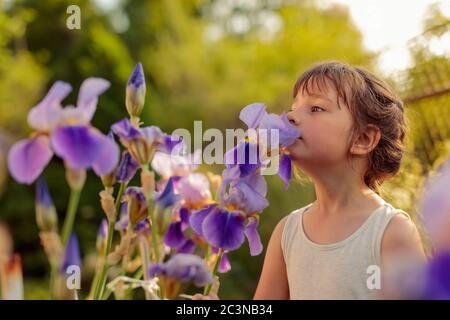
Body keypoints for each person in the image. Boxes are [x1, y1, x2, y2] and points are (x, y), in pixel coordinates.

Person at [194, 61, 426, 300]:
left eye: (316, 108)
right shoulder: (287, 231)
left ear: (363, 139)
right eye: (294, 107)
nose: (291, 116)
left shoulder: (391, 231)